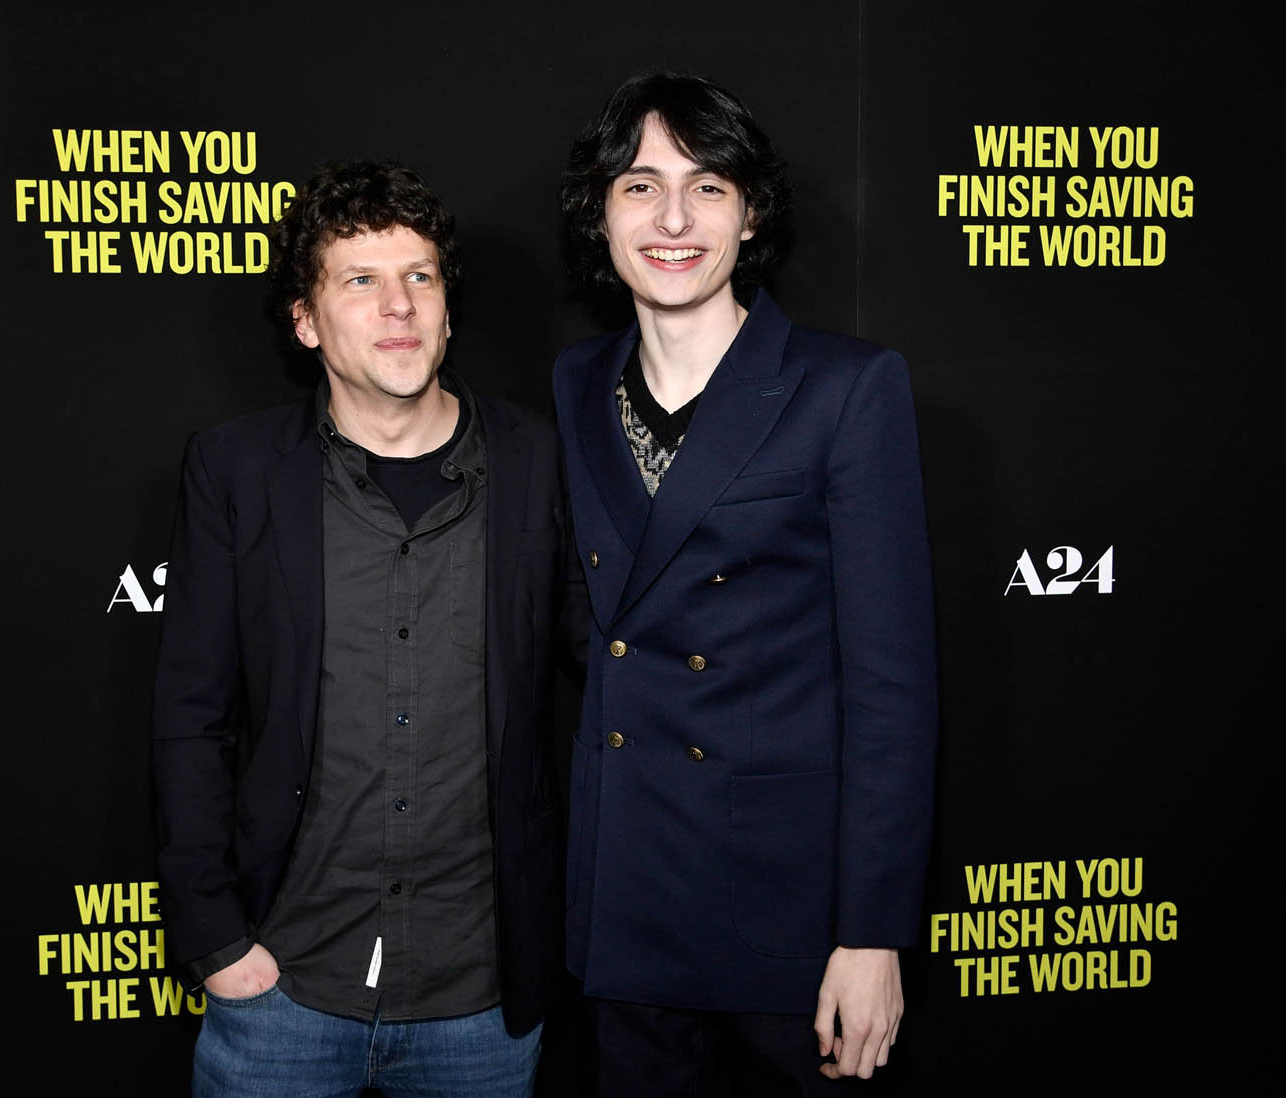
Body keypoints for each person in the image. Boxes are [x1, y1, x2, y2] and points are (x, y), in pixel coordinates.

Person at [153, 160, 579, 1098]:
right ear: (305, 322)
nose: (399, 305)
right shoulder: (235, 471)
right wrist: (215, 939)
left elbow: (614, 673)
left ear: (448, 311)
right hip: (284, 991)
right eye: (360, 280)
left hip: (482, 1002)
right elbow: (192, 713)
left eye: (420, 276)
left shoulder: (541, 462)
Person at [553, 73, 938, 1096]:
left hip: (787, 910)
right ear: (601, 213)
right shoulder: (575, 384)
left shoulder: (845, 388)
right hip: (626, 892)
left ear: (752, 213)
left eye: (709, 186)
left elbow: (892, 688)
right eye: (641, 186)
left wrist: (872, 934)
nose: (673, 219)